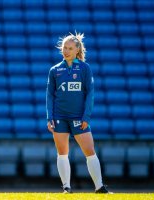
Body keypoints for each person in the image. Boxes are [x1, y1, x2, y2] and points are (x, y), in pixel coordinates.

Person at [46, 32, 111, 194]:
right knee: (62, 153)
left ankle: (99, 187)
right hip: (59, 116)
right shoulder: (55, 70)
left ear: (77, 50)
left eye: (69, 48)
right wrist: (50, 117)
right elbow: (49, 95)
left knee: (90, 152)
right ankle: (66, 188)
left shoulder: (84, 68)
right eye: (64, 48)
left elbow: (90, 93)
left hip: (79, 117)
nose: (66, 51)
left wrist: (86, 116)